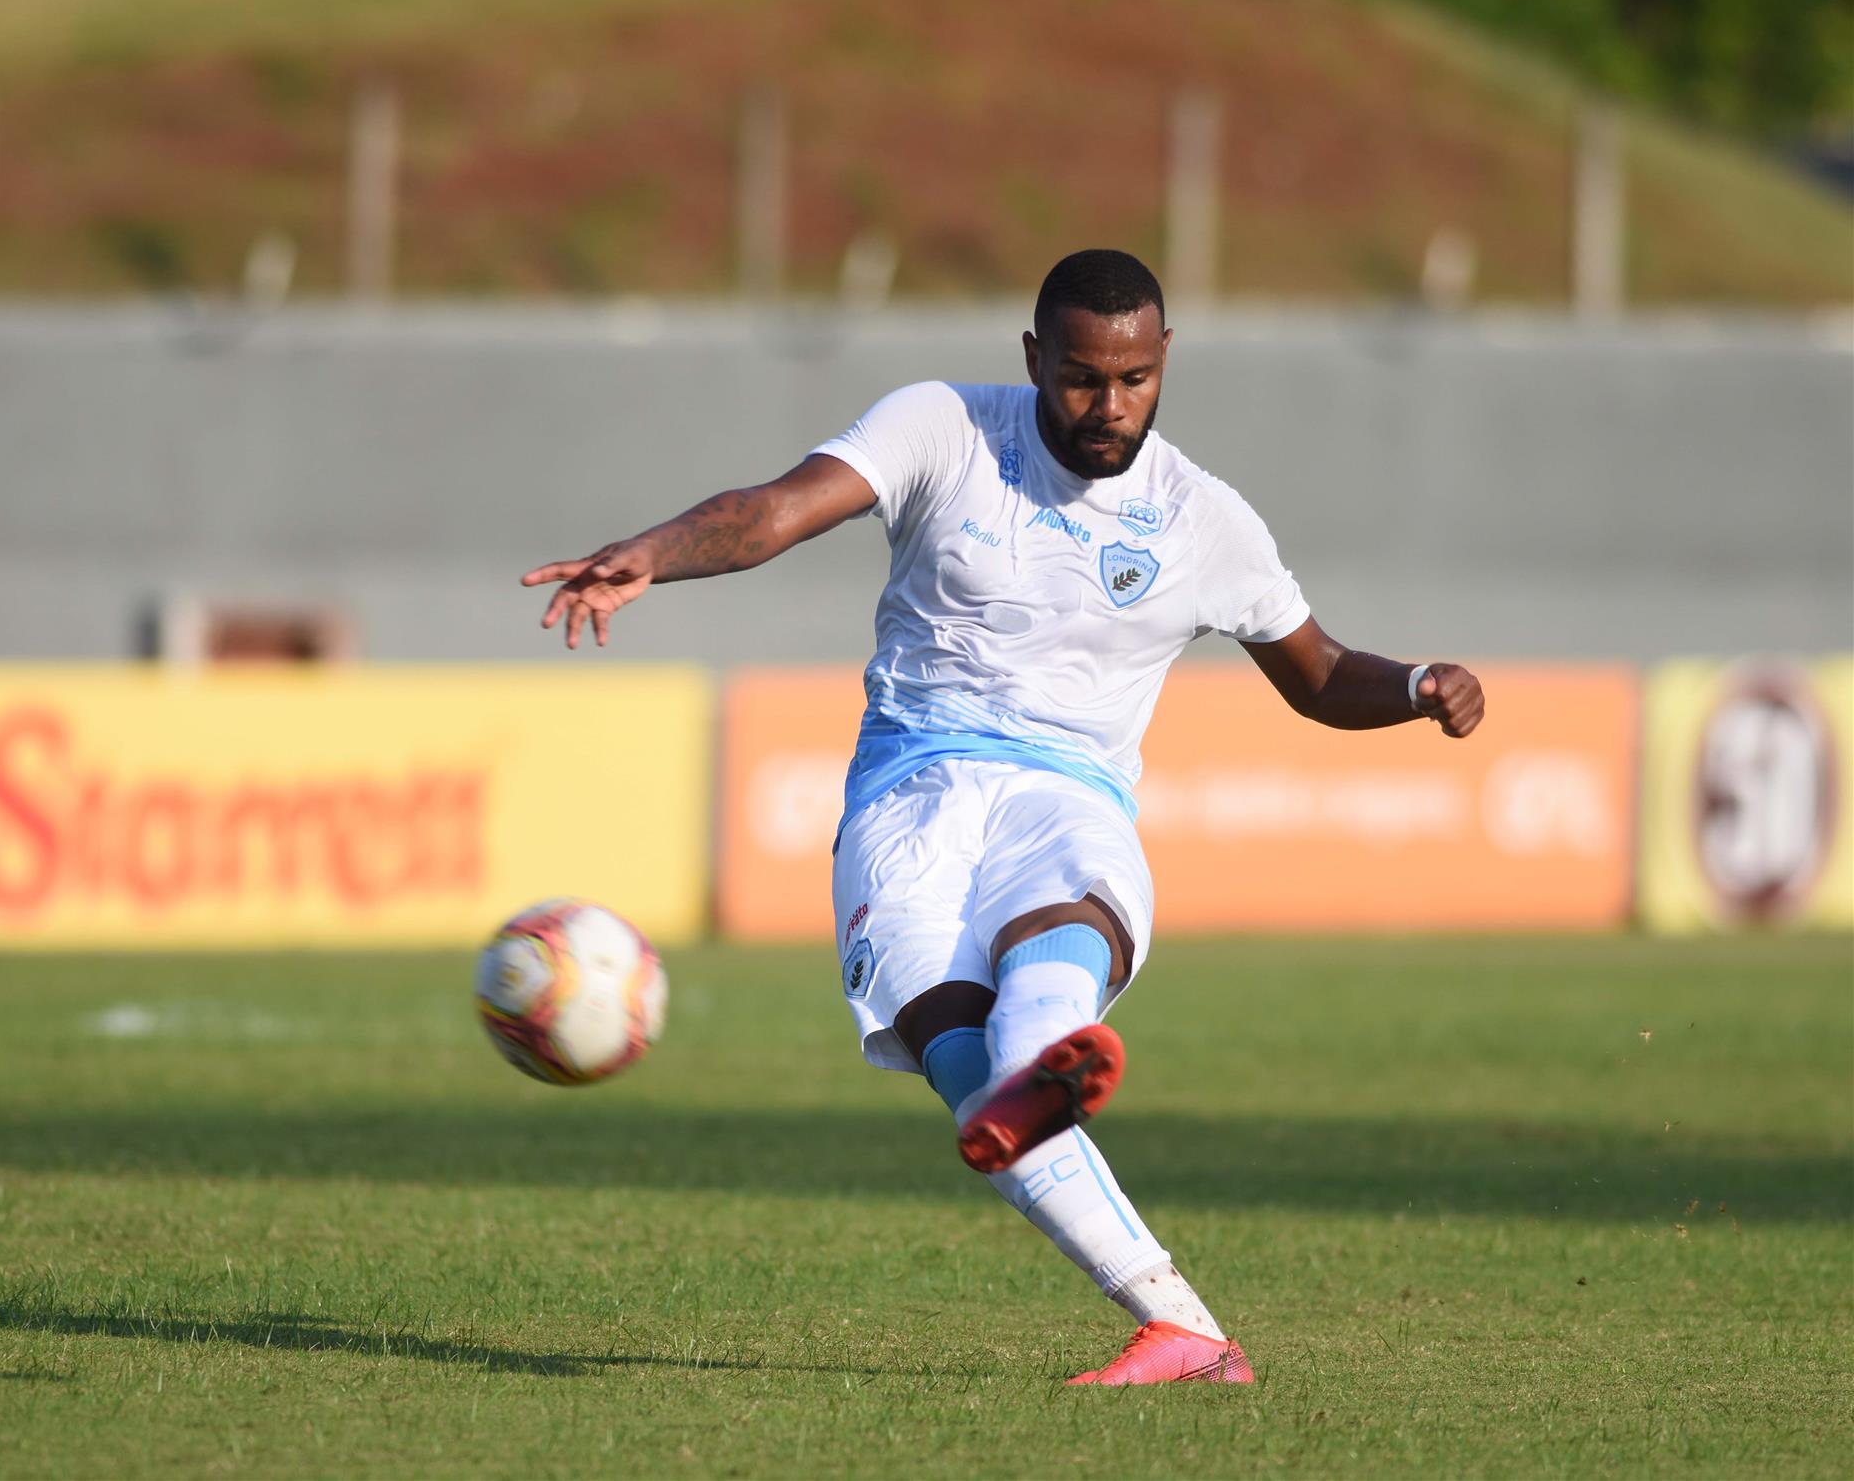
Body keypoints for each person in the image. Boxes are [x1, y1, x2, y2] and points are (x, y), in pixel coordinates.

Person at [522, 249, 1485, 1386]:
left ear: (1164, 359)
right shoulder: (942, 430)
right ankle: (1182, 1328)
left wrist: (1418, 683)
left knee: (1023, 1044)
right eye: (1080, 378)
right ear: (1033, 357)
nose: (1108, 407)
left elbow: (1317, 673)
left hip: (1064, 799)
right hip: (904, 799)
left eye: (1132, 380)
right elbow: (777, 509)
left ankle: (1064, 1075)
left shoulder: (1200, 518)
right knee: (975, 1085)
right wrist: (651, 556)